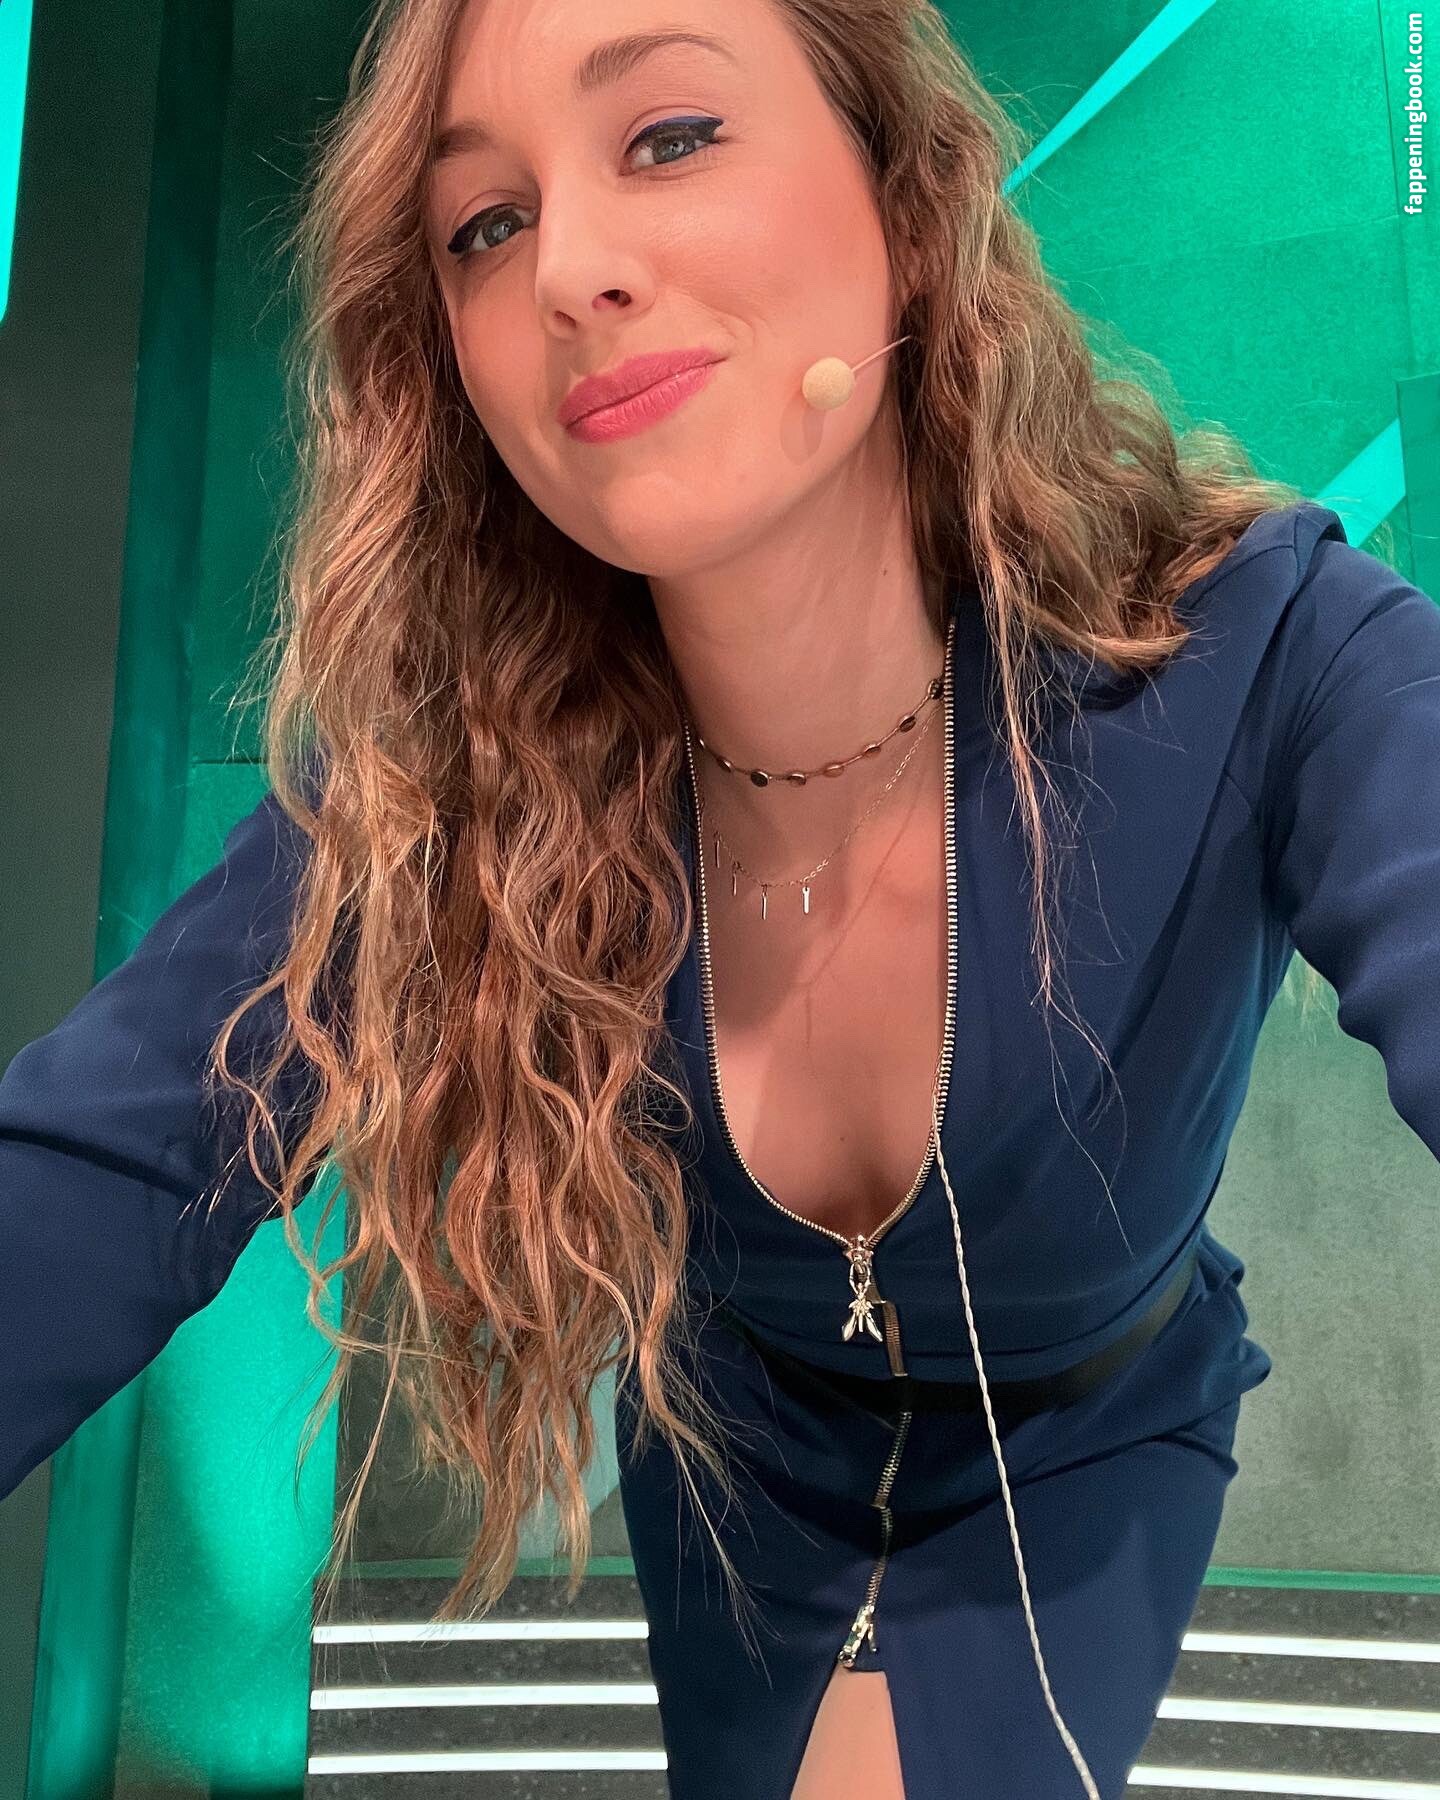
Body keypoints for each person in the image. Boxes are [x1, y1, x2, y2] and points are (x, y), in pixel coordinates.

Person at [3, 0, 1437, 1794]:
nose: (567, 271)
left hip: (1088, 1445)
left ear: (902, 195)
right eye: (484, 224)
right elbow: (97, 1171)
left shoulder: (1277, 654)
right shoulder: (456, 791)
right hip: (731, 1454)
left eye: (672, 136)